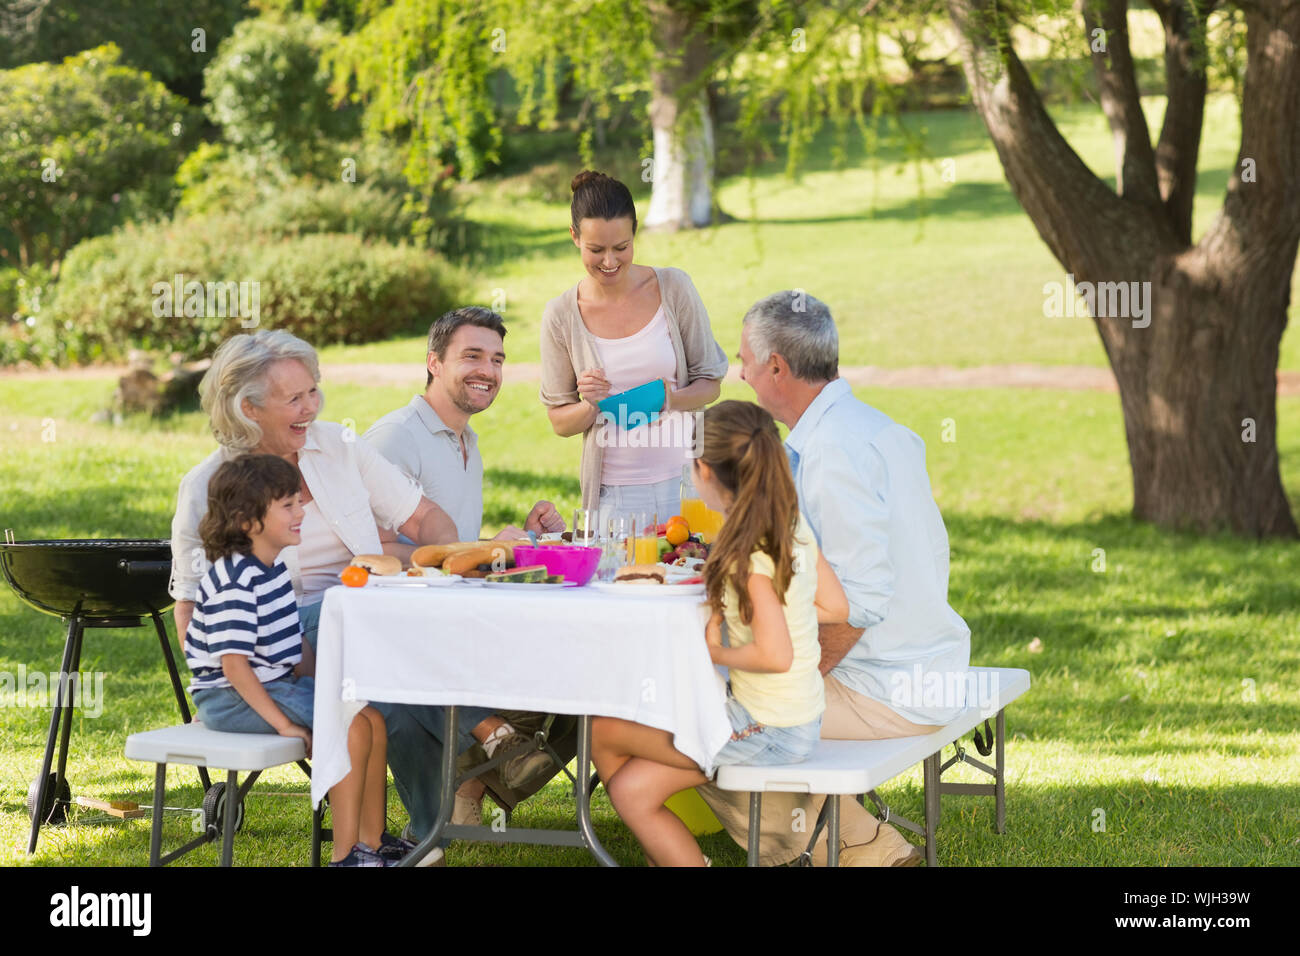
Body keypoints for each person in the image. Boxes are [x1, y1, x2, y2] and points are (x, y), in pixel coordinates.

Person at [694, 290, 973, 867]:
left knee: (688, 718)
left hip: (887, 688)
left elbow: (859, 606)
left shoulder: (831, 454)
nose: (739, 371)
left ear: (777, 367)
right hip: (926, 665)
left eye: (745, 359)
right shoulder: (870, 428)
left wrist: (785, 696)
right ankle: (853, 838)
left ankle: (864, 851)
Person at [590, 401, 850, 866]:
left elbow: (775, 655)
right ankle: (663, 851)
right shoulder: (788, 527)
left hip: (768, 727)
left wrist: (716, 649)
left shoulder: (748, 555)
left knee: (611, 747)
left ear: (705, 470)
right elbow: (835, 605)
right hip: (792, 715)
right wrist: (777, 605)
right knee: (624, 769)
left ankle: (664, 850)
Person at [364, 306, 564, 839]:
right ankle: (468, 788)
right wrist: (477, 548)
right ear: (433, 362)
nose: (489, 370)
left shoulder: (465, 440)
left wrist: (518, 539)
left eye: (497, 359)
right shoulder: (395, 440)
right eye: (472, 356)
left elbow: (453, 551)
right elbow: (366, 548)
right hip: (402, 632)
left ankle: (473, 786)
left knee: (579, 662)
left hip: (456, 619)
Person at [170, 329, 459, 654]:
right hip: (277, 642)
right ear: (249, 408)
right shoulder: (206, 485)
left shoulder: (339, 445)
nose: (311, 408)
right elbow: (191, 605)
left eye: (312, 392)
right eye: (294, 399)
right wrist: (219, 695)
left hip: (363, 622)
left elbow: (423, 518)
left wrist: (454, 565)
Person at [185, 454, 397, 865]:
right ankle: (345, 855)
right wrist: (286, 724)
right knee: (350, 725)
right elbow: (233, 666)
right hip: (233, 697)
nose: (302, 512)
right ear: (247, 521)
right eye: (289, 506)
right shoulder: (234, 579)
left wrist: (327, 694)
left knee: (370, 718)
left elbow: (297, 644)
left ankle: (374, 841)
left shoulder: (274, 569)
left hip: (275, 685)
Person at [540, 169, 729, 522]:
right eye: (596, 250)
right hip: (615, 498)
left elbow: (711, 383)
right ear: (574, 237)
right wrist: (591, 406)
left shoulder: (674, 288)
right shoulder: (561, 316)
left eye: (621, 247)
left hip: (689, 485)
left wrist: (669, 399)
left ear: (634, 233)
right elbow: (560, 422)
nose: (610, 262)